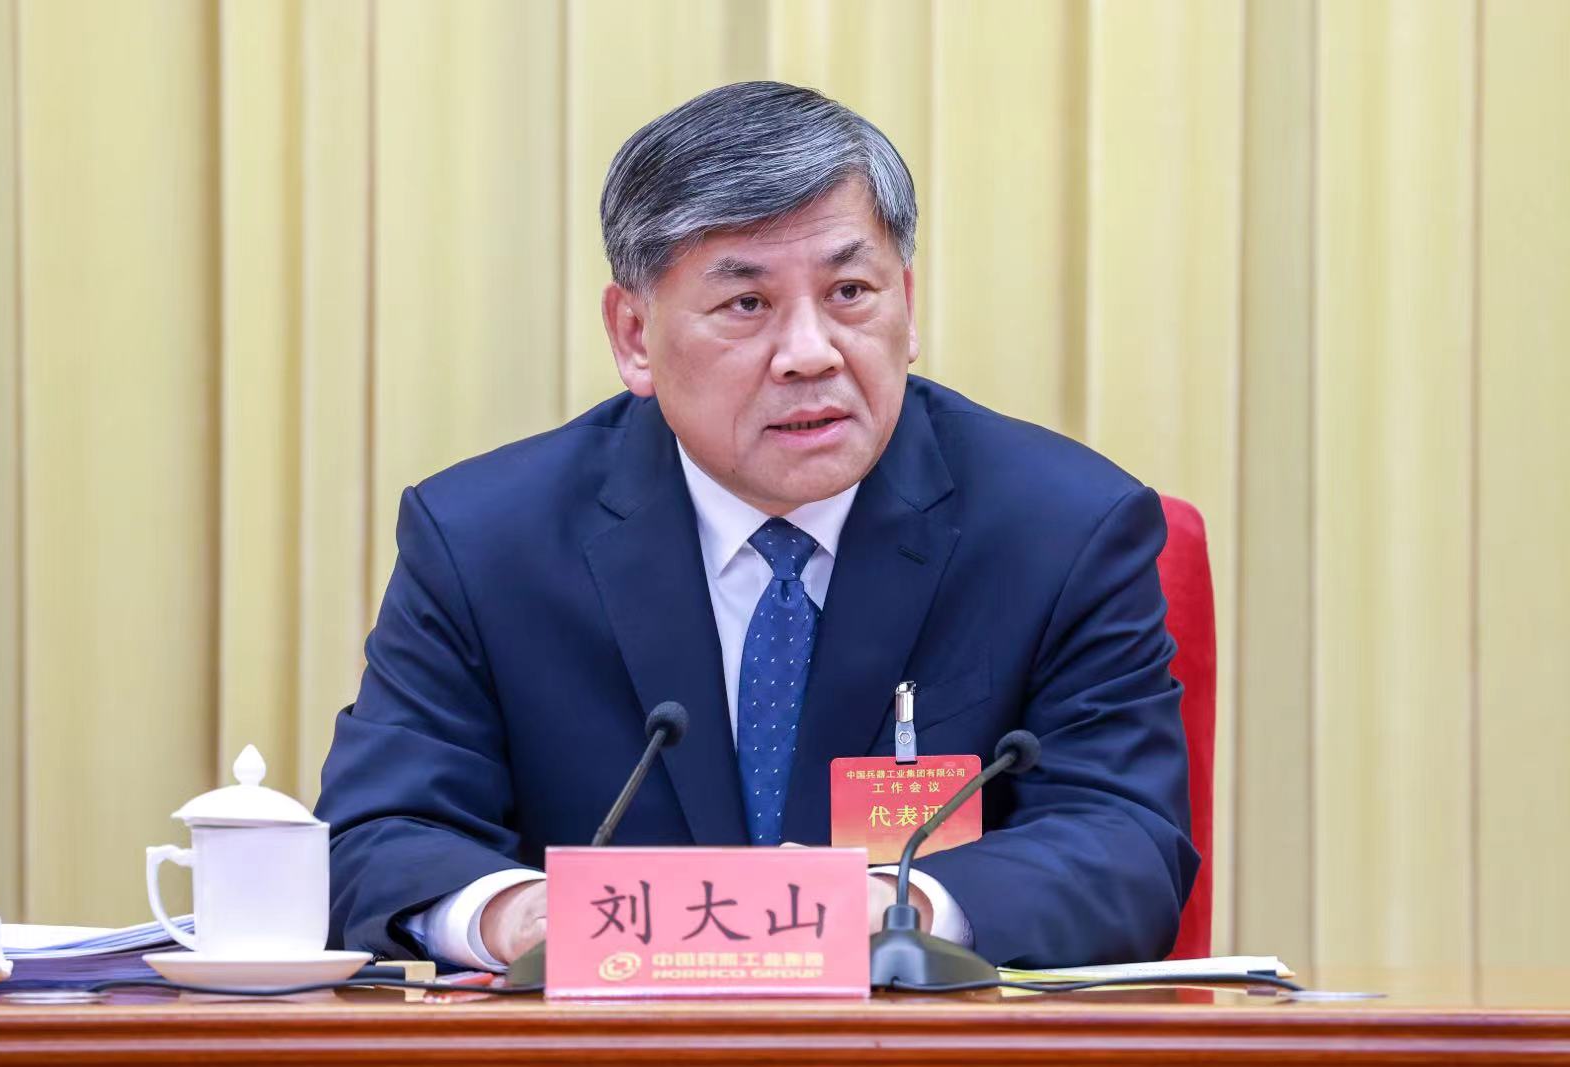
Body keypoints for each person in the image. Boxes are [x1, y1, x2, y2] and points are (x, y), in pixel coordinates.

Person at [315, 81, 1198, 971]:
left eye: (850, 290)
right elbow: (374, 837)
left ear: (907, 302)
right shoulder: (484, 543)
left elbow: (1125, 843)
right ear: (634, 335)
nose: (810, 352)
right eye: (747, 304)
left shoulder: (1061, 528)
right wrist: (515, 915)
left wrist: (903, 908)